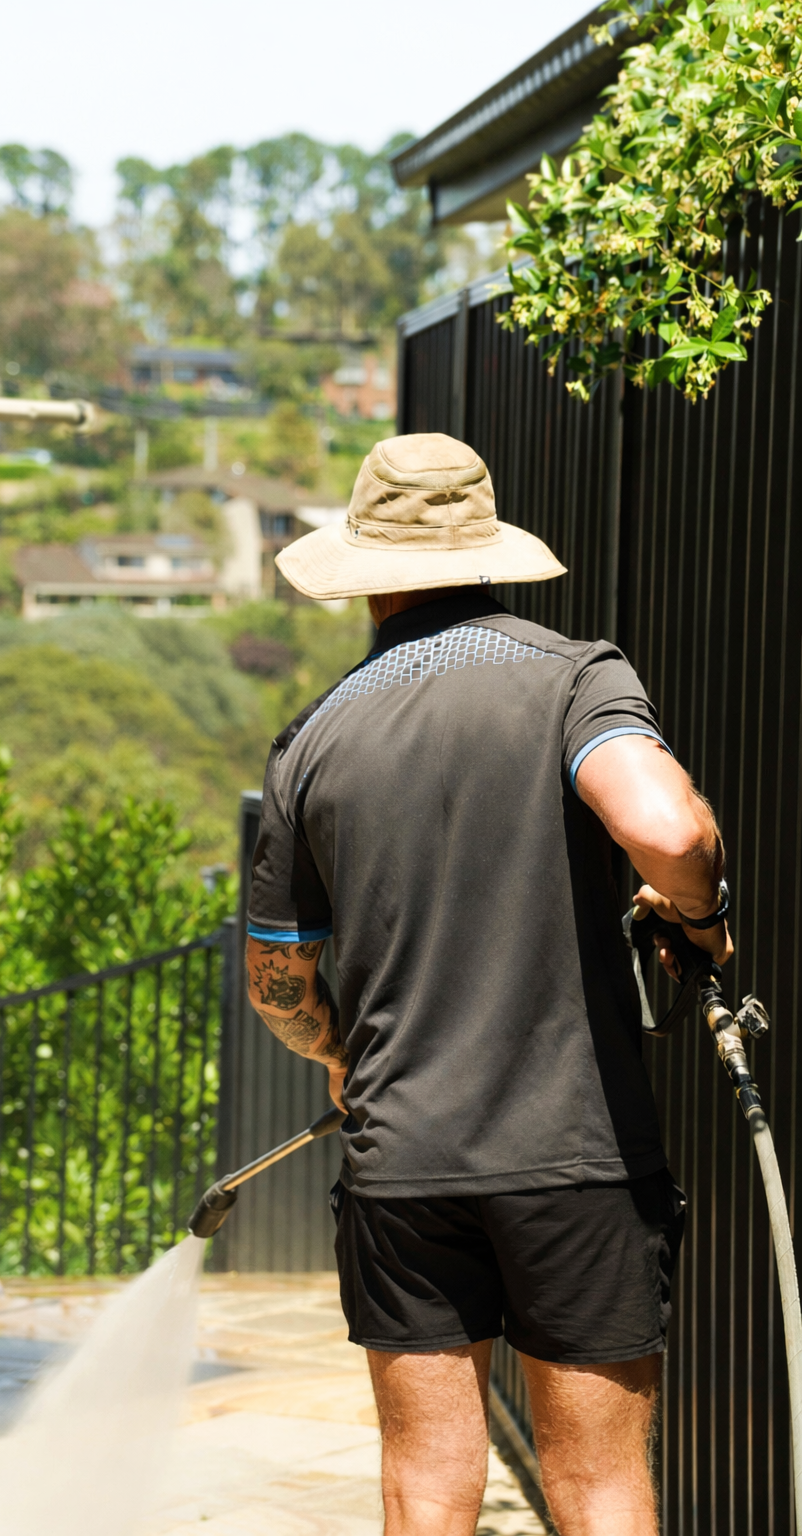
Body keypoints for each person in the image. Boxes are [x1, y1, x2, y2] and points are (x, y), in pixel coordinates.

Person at [244, 433, 732, 1536]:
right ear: (487, 553)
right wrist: (698, 914)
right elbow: (662, 827)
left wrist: (338, 1061)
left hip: (403, 1162)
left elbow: (278, 977)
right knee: (595, 1485)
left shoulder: (314, 737)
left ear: (362, 571)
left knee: (424, 1482)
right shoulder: (574, 679)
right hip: (577, 1157)